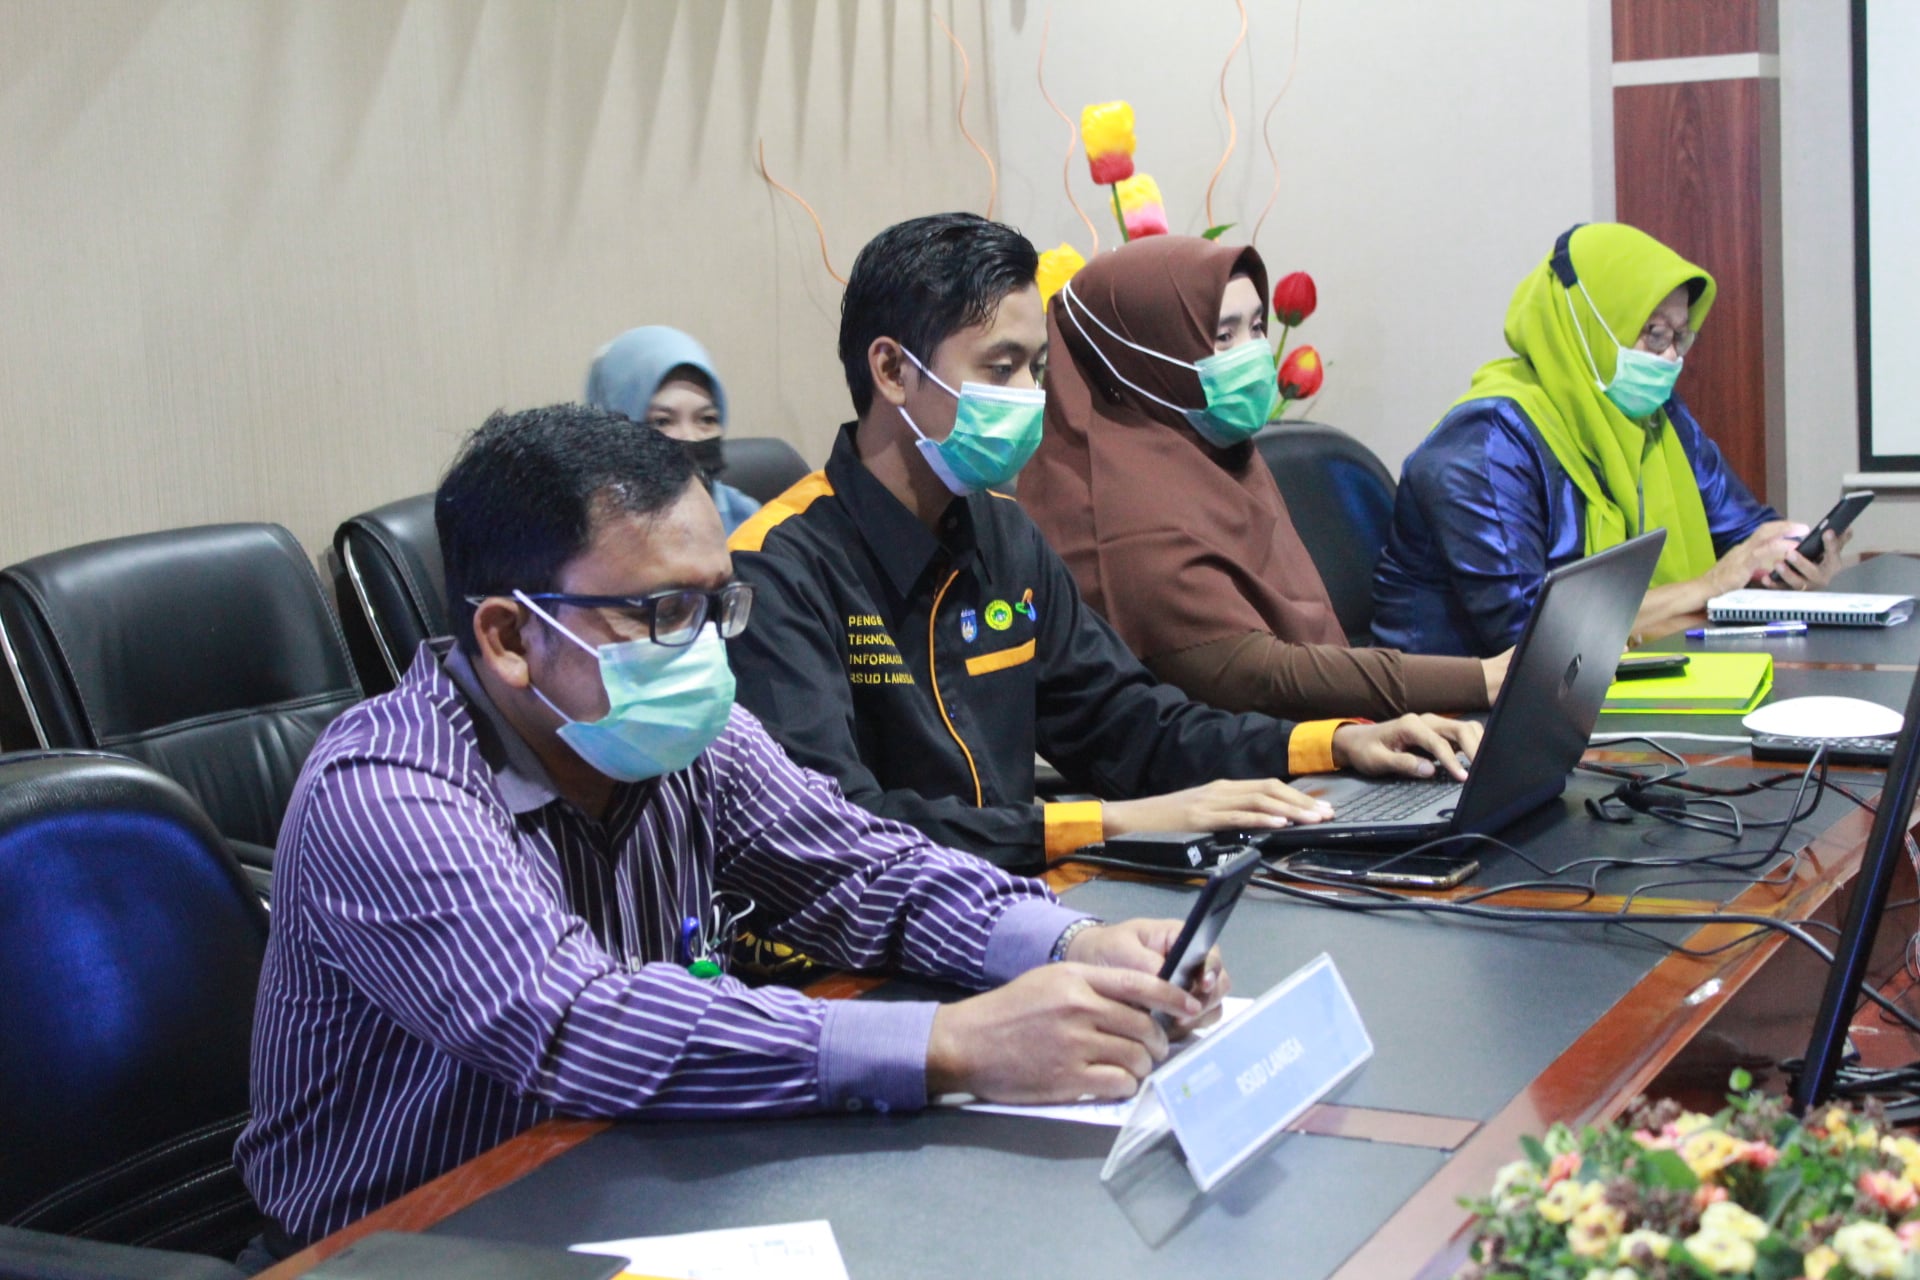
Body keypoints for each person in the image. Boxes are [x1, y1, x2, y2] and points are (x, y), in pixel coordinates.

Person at [234, 405, 1230, 1253]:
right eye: (666, 612)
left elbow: (862, 869)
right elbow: (580, 1024)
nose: (706, 650)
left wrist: (1070, 942)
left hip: (622, 1177)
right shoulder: (389, 790)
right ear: (508, 636)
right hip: (402, 1243)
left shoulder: (682, 738)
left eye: (719, 605)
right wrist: (955, 1041)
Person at [726, 212, 1481, 874]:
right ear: (892, 370)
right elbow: (835, 827)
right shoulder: (778, 567)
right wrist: (1108, 823)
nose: (1030, 396)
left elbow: (1131, 725)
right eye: (1000, 369)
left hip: (1016, 902)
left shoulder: (1002, 533)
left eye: (1036, 369)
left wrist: (1336, 746)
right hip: (864, 950)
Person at [1021, 234, 1507, 721]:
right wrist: (1478, 680)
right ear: (1142, 353)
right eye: (1223, 335)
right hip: (1245, 760)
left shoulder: (1213, 455)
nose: (1253, 354)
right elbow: (1258, 676)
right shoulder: (1121, 510)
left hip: (1312, 743)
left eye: (1256, 327)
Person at [1372, 222, 1845, 658]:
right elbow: (1532, 634)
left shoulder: (1655, 418)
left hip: (1611, 682)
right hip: (1463, 709)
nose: (1671, 357)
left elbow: (1744, 534)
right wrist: (1711, 586)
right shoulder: (1485, 446)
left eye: (1681, 337)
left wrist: (1791, 561)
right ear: (1587, 324)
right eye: (1654, 333)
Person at [586, 325, 762, 534]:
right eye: (662, 421)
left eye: (706, 419)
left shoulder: (746, 519)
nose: (690, 437)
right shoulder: (586, 533)